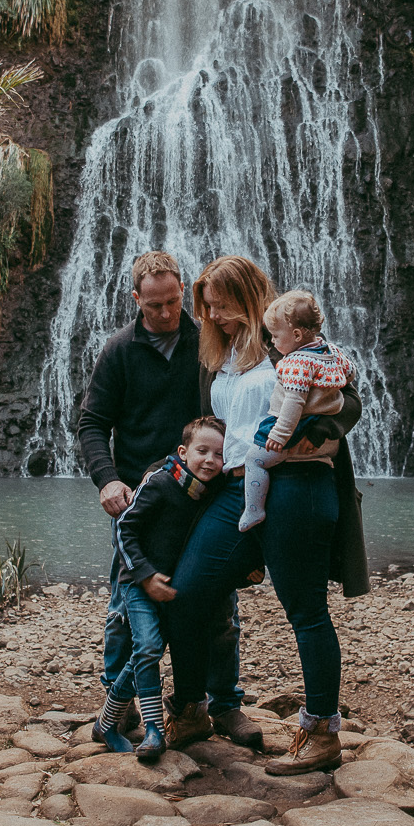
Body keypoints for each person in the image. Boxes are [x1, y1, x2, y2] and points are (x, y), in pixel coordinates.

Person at [161, 255, 368, 775]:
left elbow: (349, 405)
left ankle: (321, 731)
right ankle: (190, 709)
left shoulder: (291, 345)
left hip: (296, 486)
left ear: (251, 300)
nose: (215, 317)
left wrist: (307, 436)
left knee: (306, 611)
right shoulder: (221, 353)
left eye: (224, 307)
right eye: (208, 309)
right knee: (188, 591)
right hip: (235, 487)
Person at [76, 250, 262, 750]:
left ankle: (220, 704)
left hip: (203, 496)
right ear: (136, 299)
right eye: (154, 305)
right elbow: (92, 425)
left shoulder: (208, 345)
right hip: (142, 500)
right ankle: (124, 705)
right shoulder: (119, 351)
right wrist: (108, 480)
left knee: (218, 607)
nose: (164, 313)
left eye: (173, 302)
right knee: (124, 611)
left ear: (184, 293)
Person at [93, 416, 227, 761]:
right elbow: (124, 529)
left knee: (145, 651)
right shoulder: (161, 482)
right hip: (139, 583)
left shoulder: (208, 494)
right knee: (150, 646)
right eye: (202, 451)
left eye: (219, 454)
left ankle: (107, 723)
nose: (211, 460)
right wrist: (145, 575)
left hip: (170, 586)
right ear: (183, 452)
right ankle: (153, 728)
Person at [239, 290, 353, 532]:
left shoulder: (296, 363)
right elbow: (351, 373)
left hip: (293, 430)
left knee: (254, 460)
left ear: (297, 334)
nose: (272, 342)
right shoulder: (331, 352)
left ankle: (254, 509)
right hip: (324, 436)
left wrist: (279, 436)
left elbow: (294, 402)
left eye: (275, 336)